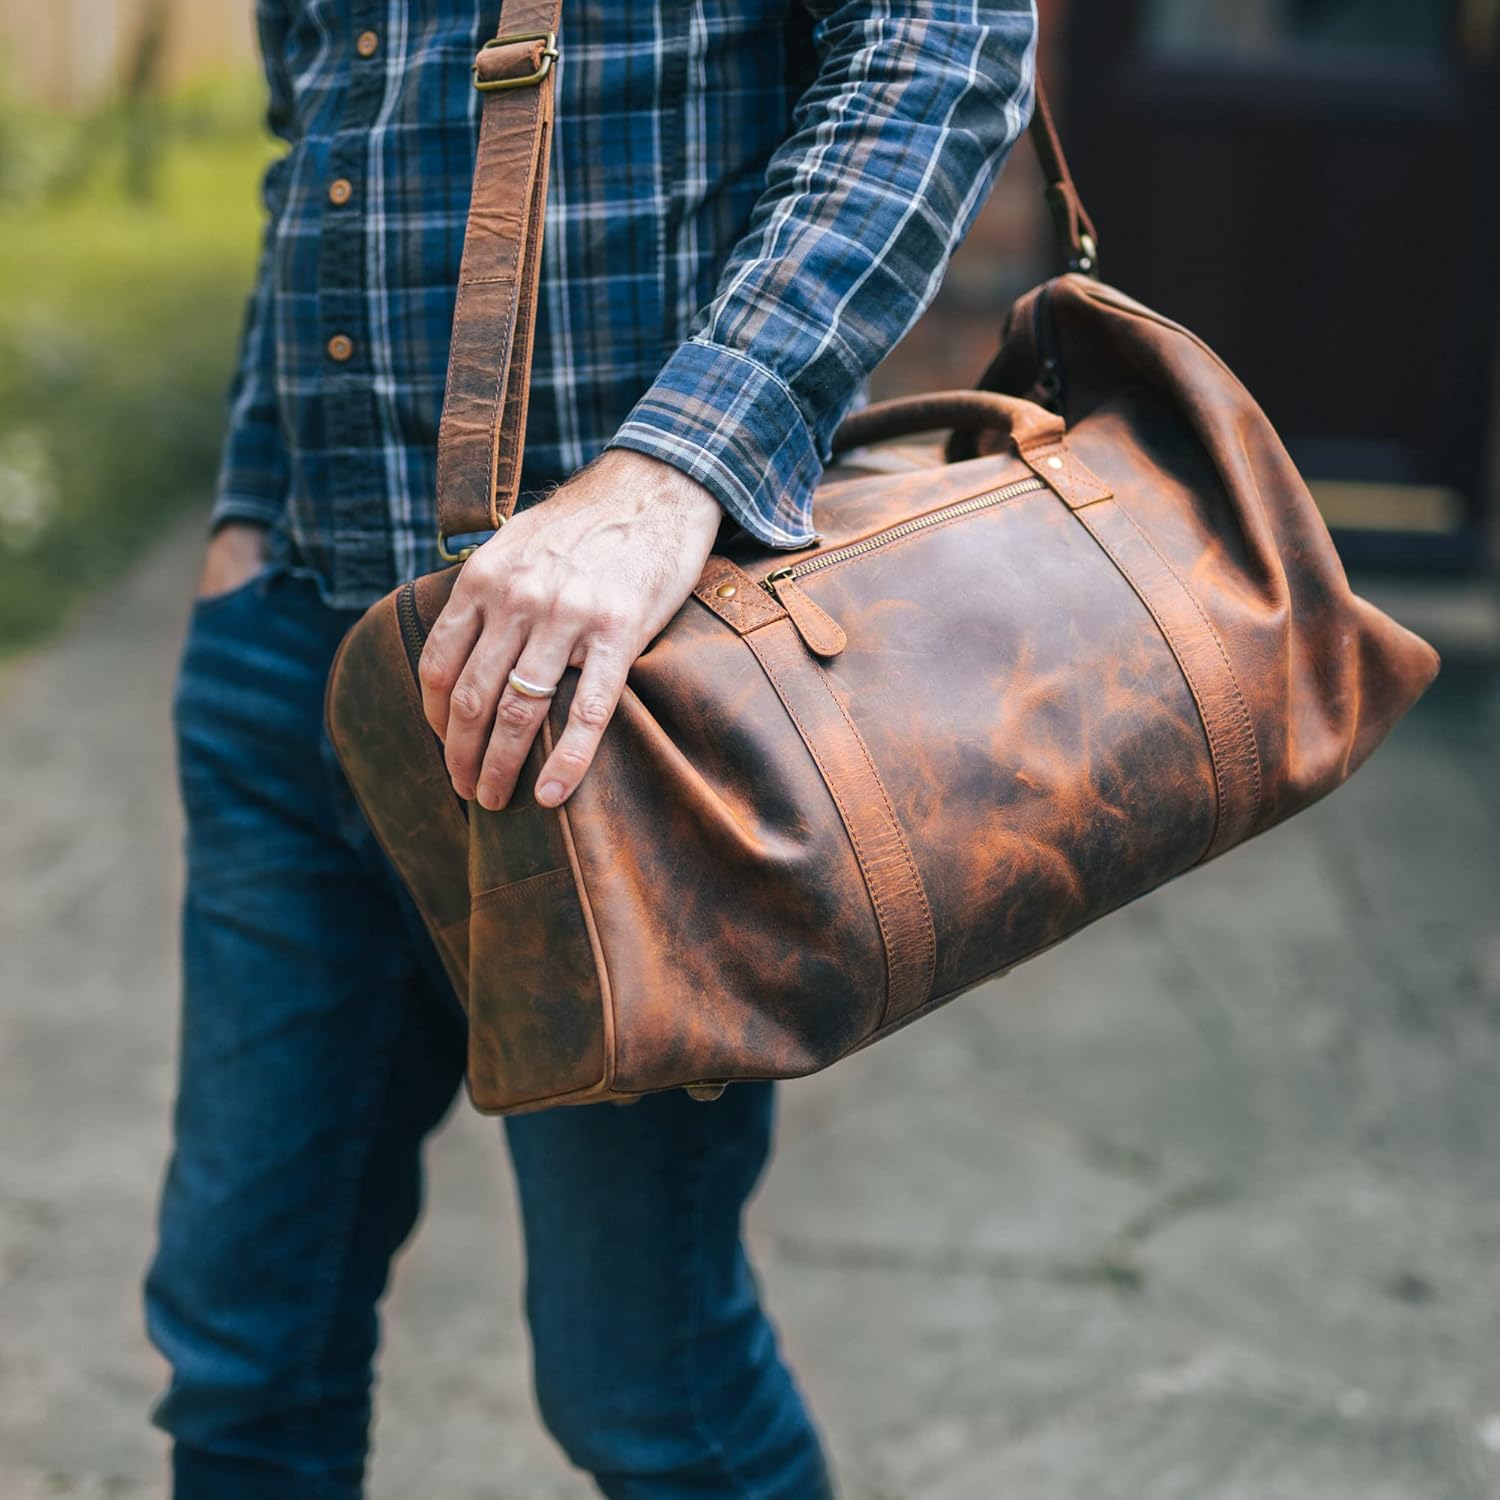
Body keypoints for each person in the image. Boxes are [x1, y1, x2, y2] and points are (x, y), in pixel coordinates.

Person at [143, 2, 1038, 1495]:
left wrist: (677, 464)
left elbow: (938, 43)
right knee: (241, 1354)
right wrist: (248, 504)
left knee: (647, 1390)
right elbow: (330, 117)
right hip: (291, 656)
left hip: (621, 703)